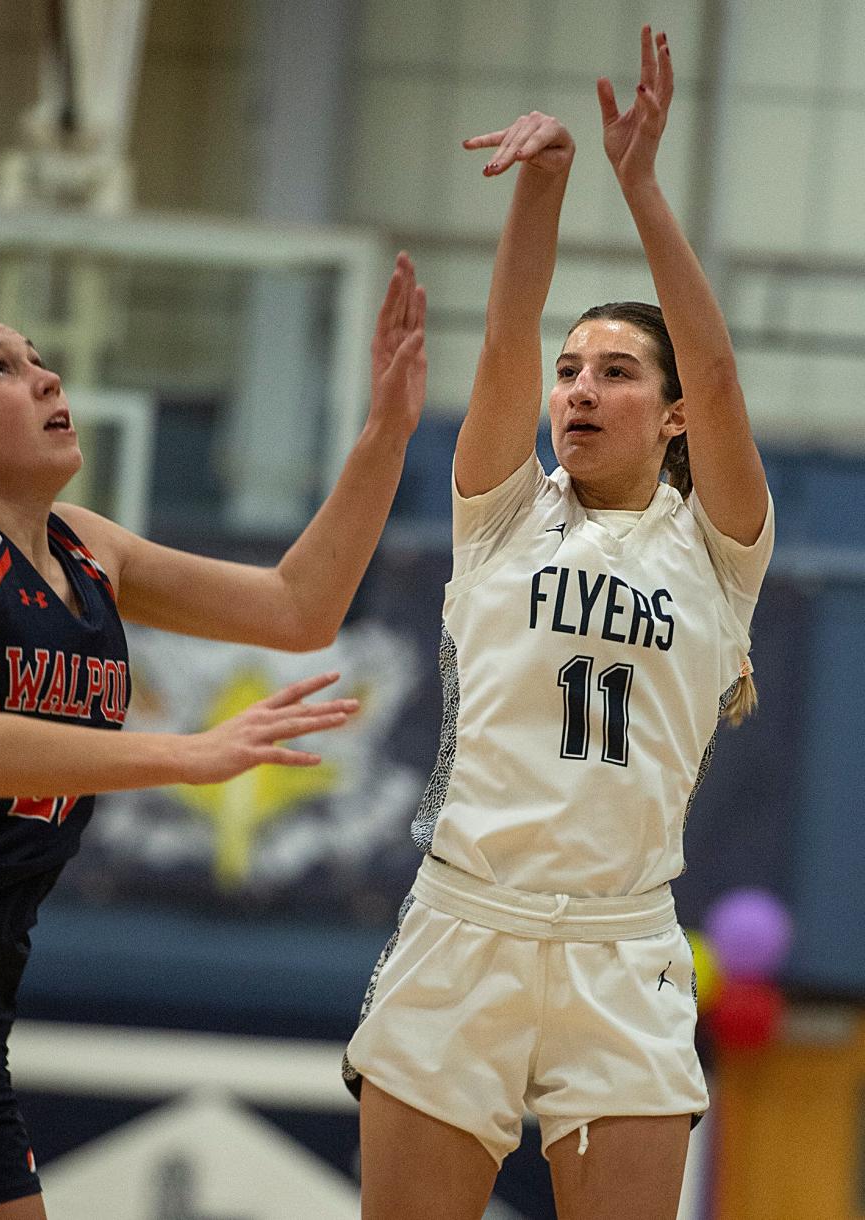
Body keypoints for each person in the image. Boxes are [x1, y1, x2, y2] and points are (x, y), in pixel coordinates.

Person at [344, 28, 773, 1220]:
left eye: (618, 372)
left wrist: (639, 188)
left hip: (623, 943)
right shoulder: (497, 515)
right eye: (572, 369)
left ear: (675, 413)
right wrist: (543, 183)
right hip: (463, 920)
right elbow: (504, 336)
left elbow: (728, 372)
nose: (580, 386)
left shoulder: (716, 549)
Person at [0, 251, 425, 1220]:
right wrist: (189, 752)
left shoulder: (84, 544)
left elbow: (297, 608)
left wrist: (385, 433)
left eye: (34, 357)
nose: (45, 376)